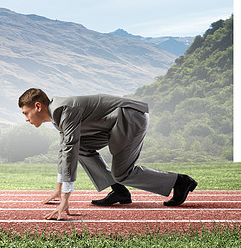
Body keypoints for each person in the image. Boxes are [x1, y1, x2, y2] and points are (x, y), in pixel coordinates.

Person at [18, 88, 198, 220]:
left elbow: (70, 148)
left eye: (26, 113)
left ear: (38, 106)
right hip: (111, 124)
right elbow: (66, 150)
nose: (26, 119)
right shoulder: (57, 118)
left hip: (130, 117)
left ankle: (179, 181)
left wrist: (66, 197)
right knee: (79, 148)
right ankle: (119, 191)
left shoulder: (62, 110)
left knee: (122, 173)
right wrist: (58, 189)